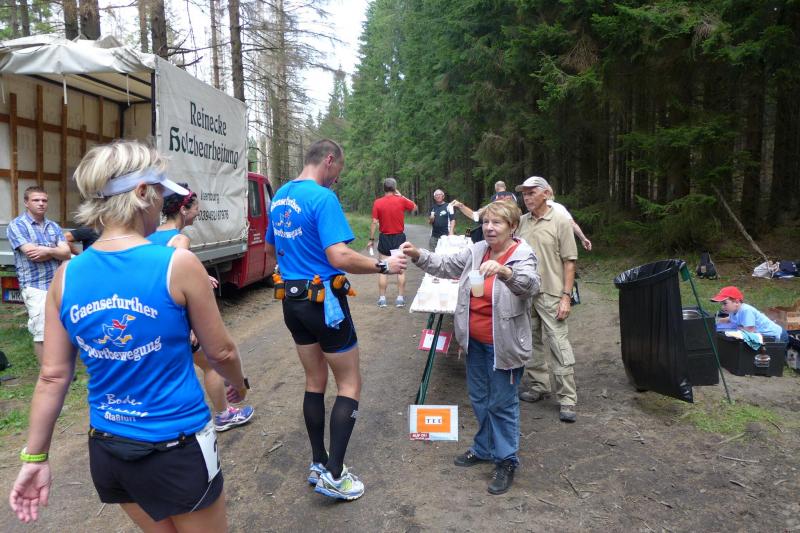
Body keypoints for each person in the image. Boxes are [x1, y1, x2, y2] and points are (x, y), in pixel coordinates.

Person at [8, 141, 249, 530]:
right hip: (177, 446)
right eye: (160, 193)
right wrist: (238, 384)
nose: (162, 203)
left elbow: (52, 377)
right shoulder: (178, 263)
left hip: (109, 449)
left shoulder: (66, 276)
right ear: (141, 193)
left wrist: (35, 458)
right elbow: (220, 352)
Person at [265, 139, 407, 501]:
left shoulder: (279, 196)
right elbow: (340, 256)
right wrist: (384, 265)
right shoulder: (322, 198)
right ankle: (335, 475)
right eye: (338, 171)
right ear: (329, 160)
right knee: (349, 383)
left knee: (315, 379)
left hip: (292, 301)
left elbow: (270, 249)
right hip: (324, 302)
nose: (336, 179)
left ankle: (318, 462)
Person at [400, 200, 540, 495]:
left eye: (497, 222)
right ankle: (485, 447)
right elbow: (446, 265)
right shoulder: (477, 251)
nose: (489, 227)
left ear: (513, 227)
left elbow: (530, 285)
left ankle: (506, 460)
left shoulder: (522, 254)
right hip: (474, 343)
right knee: (479, 397)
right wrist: (418, 255)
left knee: (501, 403)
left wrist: (505, 272)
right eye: (486, 222)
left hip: (504, 346)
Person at [148, 185, 255, 433]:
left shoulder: (150, 236)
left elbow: (159, 272)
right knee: (211, 365)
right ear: (184, 210)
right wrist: (192, 326)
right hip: (175, 317)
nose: (198, 211)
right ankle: (224, 415)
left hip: (153, 317)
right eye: (196, 206)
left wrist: (202, 275)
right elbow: (176, 277)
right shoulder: (180, 239)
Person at [515, 176, 580, 423]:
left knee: (558, 343)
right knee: (531, 340)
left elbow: (569, 261)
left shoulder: (560, 220)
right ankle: (539, 385)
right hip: (526, 293)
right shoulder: (522, 222)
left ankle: (567, 398)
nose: (527, 197)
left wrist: (566, 297)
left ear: (546, 194)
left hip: (552, 293)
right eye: (524, 194)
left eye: (532, 192)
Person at [6, 186, 71, 363]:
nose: (41, 203)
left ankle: (60, 368)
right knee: (42, 332)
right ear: (26, 203)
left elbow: (66, 253)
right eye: (36, 200)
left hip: (57, 284)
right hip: (35, 285)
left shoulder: (53, 226)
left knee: (61, 328)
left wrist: (46, 250)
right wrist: (55, 250)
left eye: (44, 200)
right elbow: (32, 254)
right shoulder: (17, 225)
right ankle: (47, 373)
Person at [369, 177, 417, 308]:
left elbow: (374, 222)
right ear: (394, 188)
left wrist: (371, 239)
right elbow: (414, 207)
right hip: (398, 238)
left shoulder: (378, 202)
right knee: (400, 269)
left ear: (384, 188)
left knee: (383, 268)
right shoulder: (401, 200)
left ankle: (382, 299)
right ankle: (400, 299)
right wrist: (401, 196)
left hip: (385, 238)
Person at [711, 286, 789, 342]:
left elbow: (749, 331)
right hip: (766, 337)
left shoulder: (746, 310)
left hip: (777, 336)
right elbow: (730, 319)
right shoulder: (733, 311)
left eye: (725, 303)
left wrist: (730, 330)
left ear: (737, 302)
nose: (722, 307)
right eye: (722, 304)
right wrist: (715, 321)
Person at [544, 185, 592, 252]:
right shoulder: (559, 207)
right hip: (559, 244)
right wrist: (583, 239)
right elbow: (572, 224)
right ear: (551, 194)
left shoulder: (534, 209)